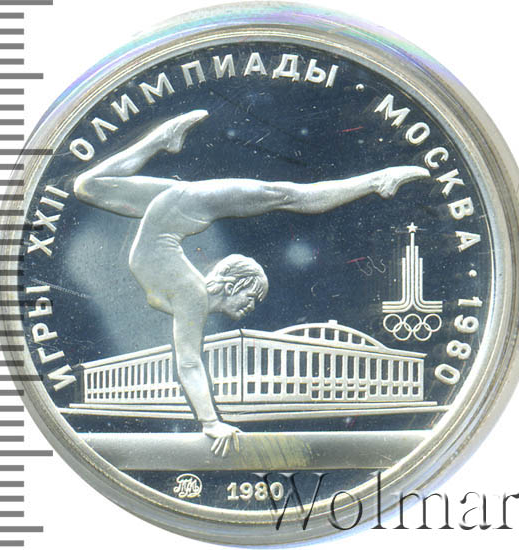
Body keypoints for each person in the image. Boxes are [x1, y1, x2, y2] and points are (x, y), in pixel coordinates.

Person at [74, 109, 430, 457]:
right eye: (252, 297)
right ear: (231, 286)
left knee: (88, 186)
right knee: (284, 194)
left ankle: (164, 138)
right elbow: (189, 362)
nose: (251, 307)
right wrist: (211, 422)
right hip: (185, 205)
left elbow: (187, 358)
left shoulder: (190, 292)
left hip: (178, 207)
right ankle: (377, 181)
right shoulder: (192, 294)